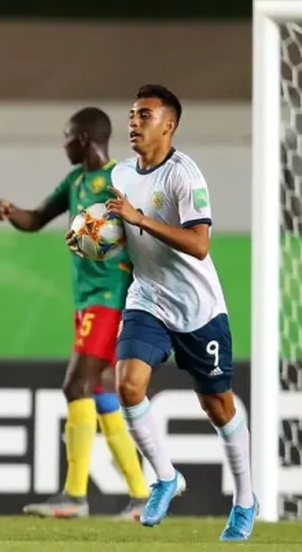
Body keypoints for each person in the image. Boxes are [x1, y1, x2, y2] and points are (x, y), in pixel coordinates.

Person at [96, 84, 256, 540]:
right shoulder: (120, 174)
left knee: (218, 406)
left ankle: (245, 500)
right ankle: (166, 478)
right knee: (128, 384)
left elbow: (200, 245)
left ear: (169, 125)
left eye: (144, 115)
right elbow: (125, 240)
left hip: (198, 308)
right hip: (148, 298)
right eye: (131, 114)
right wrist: (96, 242)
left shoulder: (185, 176)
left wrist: (140, 218)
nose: (133, 122)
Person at [0, 107, 149, 519]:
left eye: (67, 137)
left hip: (111, 298)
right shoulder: (76, 182)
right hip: (86, 301)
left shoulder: (123, 178)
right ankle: (141, 497)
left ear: (83, 138)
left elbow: (145, 229)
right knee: (102, 393)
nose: (64, 144)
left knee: (75, 385)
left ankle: (75, 495)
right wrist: (12, 212)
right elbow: (36, 219)